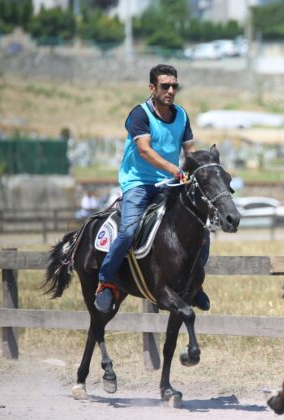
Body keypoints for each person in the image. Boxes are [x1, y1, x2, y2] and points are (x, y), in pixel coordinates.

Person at [94, 64, 211, 314]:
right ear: (152, 88)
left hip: (170, 184)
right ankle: (106, 282)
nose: (170, 91)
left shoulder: (181, 115)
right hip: (139, 183)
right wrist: (175, 170)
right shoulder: (140, 114)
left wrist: (200, 169)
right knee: (127, 233)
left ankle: (195, 285)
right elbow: (145, 150)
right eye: (165, 86)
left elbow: (189, 150)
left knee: (202, 231)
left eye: (174, 86)